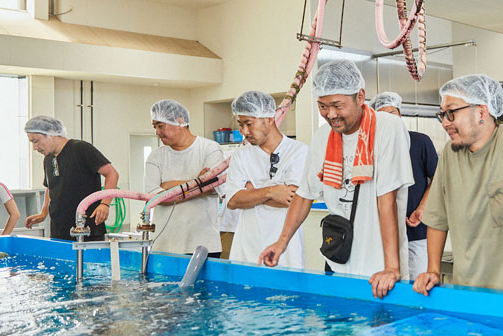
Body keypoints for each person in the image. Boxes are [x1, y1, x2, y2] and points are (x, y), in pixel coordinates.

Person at [259, 60, 413, 299]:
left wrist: (392, 267)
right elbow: (304, 194)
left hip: (380, 268)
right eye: (322, 106)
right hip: (338, 258)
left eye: (337, 105)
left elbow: (387, 198)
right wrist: (281, 242)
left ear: (360, 97)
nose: (330, 114)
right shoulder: (323, 136)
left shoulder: (387, 127)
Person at [412, 74, 503, 314]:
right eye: (442, 115)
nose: (445, 122)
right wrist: (433, 270)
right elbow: (437, 220)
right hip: (468, 295)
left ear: (481, 112)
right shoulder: (450, 154)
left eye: (451, 112)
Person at [225, 90, 308, 268]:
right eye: (241, 125)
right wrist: (272, 191)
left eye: (249, 124)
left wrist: (250, 192)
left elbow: (293, 200)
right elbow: (232, 201)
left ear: (269, 119)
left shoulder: (297, 151)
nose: (244, 132)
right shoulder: (241, 155)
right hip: (246, 252)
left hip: (287, 253)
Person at [372, 91, 439, 280]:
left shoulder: (420, 141)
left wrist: (422, 207)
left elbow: (437, 178)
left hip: (416, 231)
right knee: (389, 285)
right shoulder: (373, 148)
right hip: (384, 235)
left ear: (400, 115)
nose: (389, 119)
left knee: (418, 284)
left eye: (392, 113)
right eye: (382, 116)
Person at [145, 99, 223, 257]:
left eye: (160, 126)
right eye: (155, 127)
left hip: (204, 243)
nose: (157, 132)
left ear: (180, 121)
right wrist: (198, 184)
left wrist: (168, 187)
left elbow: (212, 186)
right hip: (164, 244)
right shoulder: (156, 156)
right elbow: (154, 197)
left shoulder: (210, 148)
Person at [24, 116, 119, 241]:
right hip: (59, 230)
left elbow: (112, 174)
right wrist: (43, 213)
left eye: (35, 141)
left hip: (86, 230)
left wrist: (105, 204)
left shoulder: (80, 149)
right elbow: (50, 187)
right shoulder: (48, 158)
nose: (34, 147)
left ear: (51, 133)